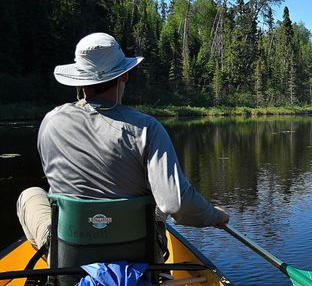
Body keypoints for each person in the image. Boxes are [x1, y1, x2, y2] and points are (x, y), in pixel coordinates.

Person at [16, 32, 229, 255]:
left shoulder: (50, 121)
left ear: (80, 81)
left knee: (29, 195)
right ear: (124, 76)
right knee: (159, 199)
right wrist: (216, 215)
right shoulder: (147, 128)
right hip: (139, 260)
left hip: (69, 256)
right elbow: (176, 204)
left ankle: (54, 258)